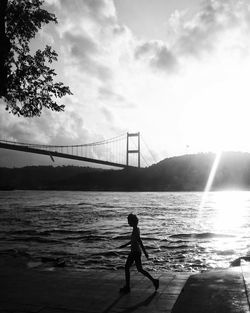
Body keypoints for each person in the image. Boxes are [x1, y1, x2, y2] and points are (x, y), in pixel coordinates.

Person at [119, 213, 159, 293]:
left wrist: (145, 253)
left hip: (135, 252)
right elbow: (133, 241)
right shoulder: (136, 229)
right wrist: (125, 245)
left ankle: (127, 287)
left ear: (132, 222)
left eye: (129, 221)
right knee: (139, 269)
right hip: (136, 252)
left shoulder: (136, 230)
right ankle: (154, 281)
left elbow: (140, 242)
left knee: (127, 267)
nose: (128, 223)